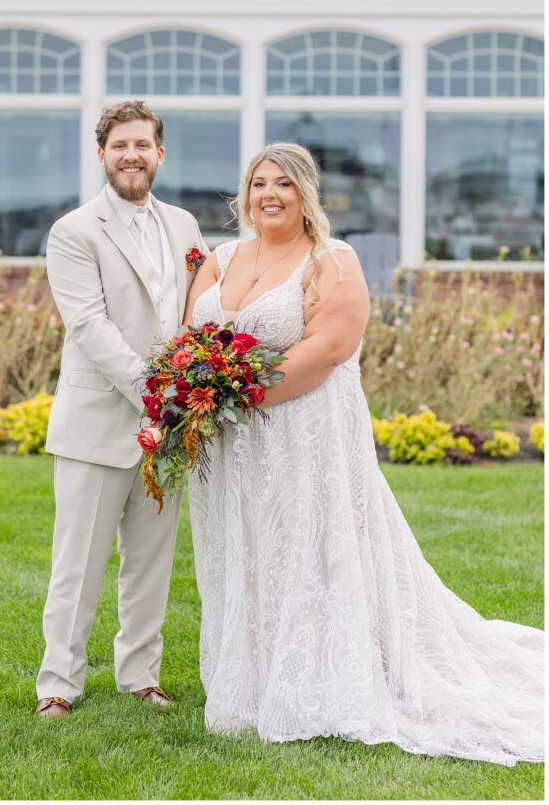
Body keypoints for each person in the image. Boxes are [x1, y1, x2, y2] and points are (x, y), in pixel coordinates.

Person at [183, 142, 543, 766]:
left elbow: (328, 348)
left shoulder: (332, 260)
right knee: (247, 552)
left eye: (284, 185)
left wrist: (234, 392)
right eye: (259, 183)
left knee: (311, 551)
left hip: (304, 442)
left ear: (306, 194)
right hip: (234, 451)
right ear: (243, 194)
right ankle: (254, 680)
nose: (270, 194)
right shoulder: (218, 261)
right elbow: (191, 341)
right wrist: (197, 390)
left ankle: (322, 682)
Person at [35, 100, 208, 718]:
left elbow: (201, 308)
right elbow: (89, 325)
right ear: (101, 155)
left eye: (142, 145)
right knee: (77, 564)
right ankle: (59, 682)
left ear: (160, 153)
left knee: (151, 561)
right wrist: (157, 394)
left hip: (169, 430)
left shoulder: (186, 226)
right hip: (99, 421)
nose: (131, 155)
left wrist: (203, 381)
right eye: (119, 146)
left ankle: (141, 675)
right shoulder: (74, 231)